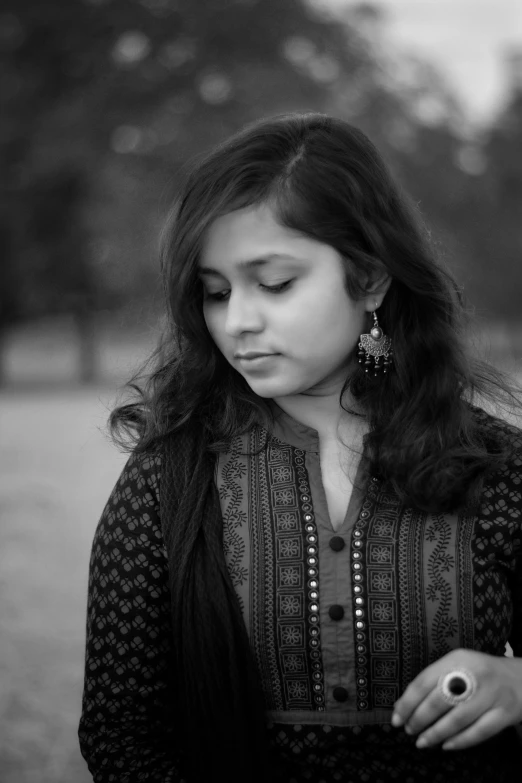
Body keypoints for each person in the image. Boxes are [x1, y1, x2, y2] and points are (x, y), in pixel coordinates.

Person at [78, 112, 522, 783]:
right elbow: (121, 731)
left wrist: (517, 682)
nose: (239, 321)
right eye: (216, 292)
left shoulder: (497, 468)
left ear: (369, 278)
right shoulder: (168, 478)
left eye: (276, 283)